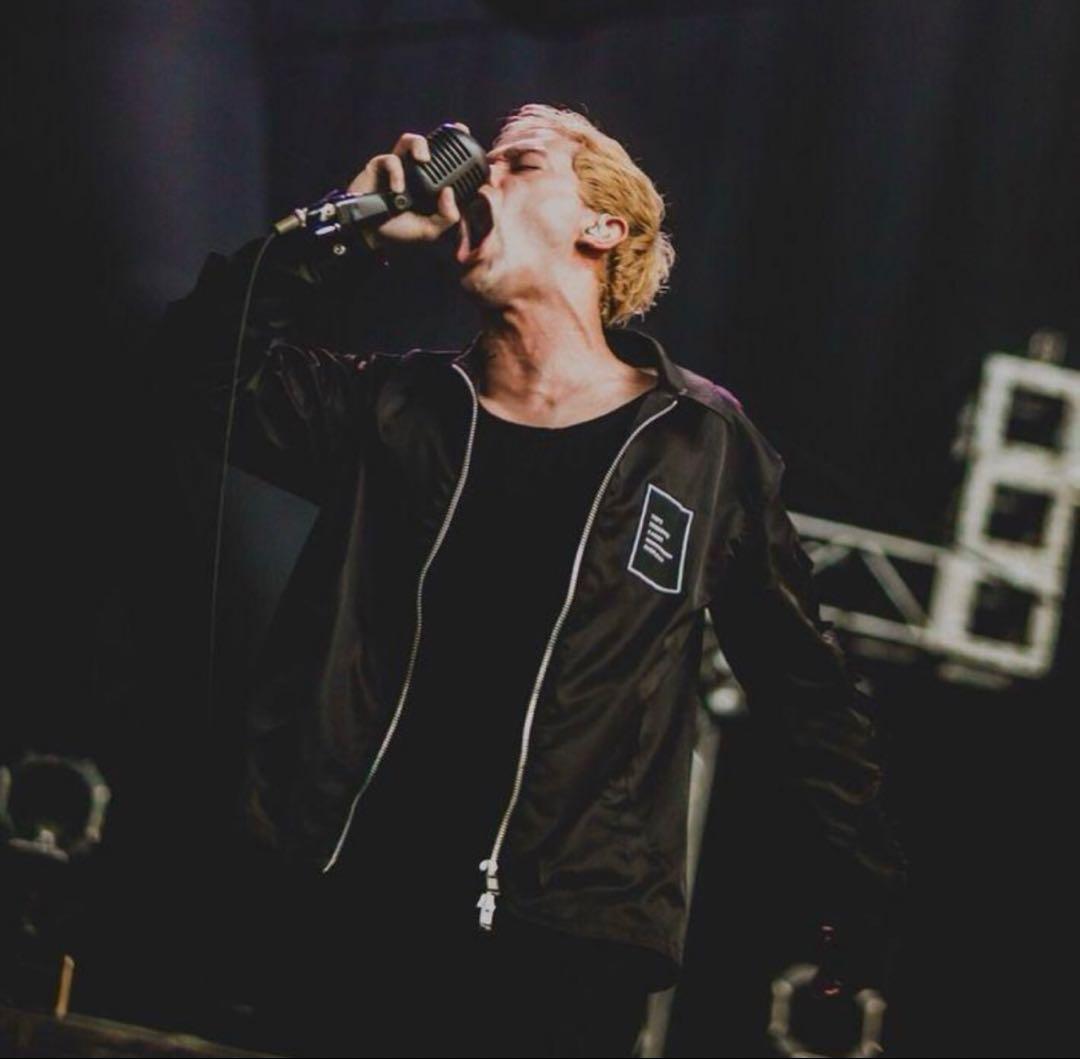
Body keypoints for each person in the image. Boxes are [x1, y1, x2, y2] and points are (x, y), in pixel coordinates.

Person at [153, 104, 908, 1056]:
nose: (478, 175)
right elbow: (190, 372)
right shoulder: (391, 407)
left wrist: (859, 886)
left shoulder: (699, 444)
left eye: (520, 162)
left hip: (563, 945)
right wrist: (346, 228)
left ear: (604, 227)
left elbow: (804, 682)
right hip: (342, 904)